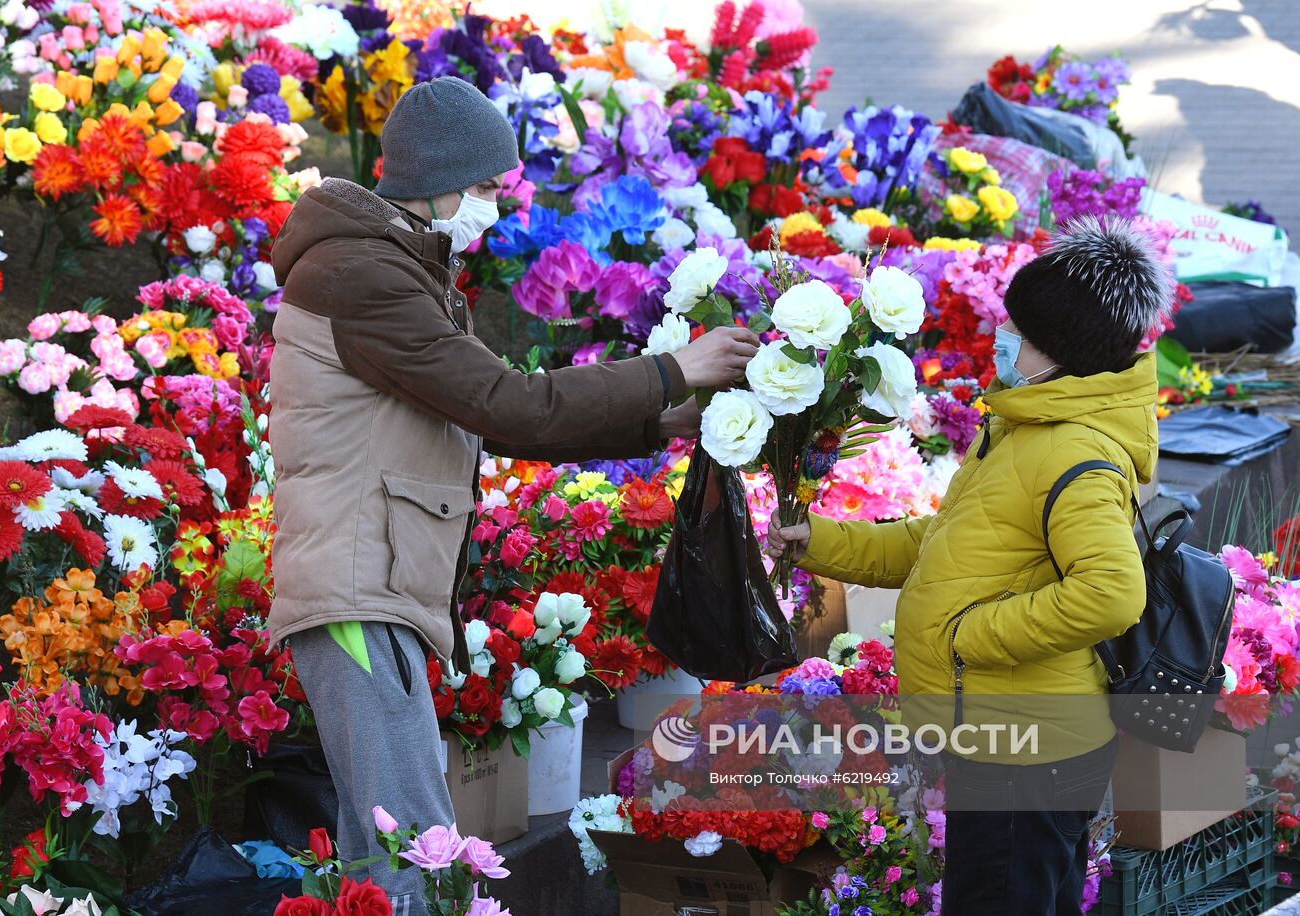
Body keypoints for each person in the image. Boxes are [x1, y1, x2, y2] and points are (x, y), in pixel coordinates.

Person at [266, 76, 758, 910]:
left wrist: (655, 423)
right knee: (408, 848)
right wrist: (676, 368)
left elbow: (484, 419)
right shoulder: (366, 276)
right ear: (439, 179)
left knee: (382, 849)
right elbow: (508, 405)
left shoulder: (393, 264)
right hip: (354, 593)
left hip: (374, 584)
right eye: (489, 188)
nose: (494, 206)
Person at [769, 216, 1173, 916]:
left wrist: (970, 636)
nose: (1001, 342)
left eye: (1019, 335)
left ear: (1061, 353)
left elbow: (1111, 594)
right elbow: (945, 545)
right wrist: (817, 540)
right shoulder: (1020, 426)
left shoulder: (1075, 454)